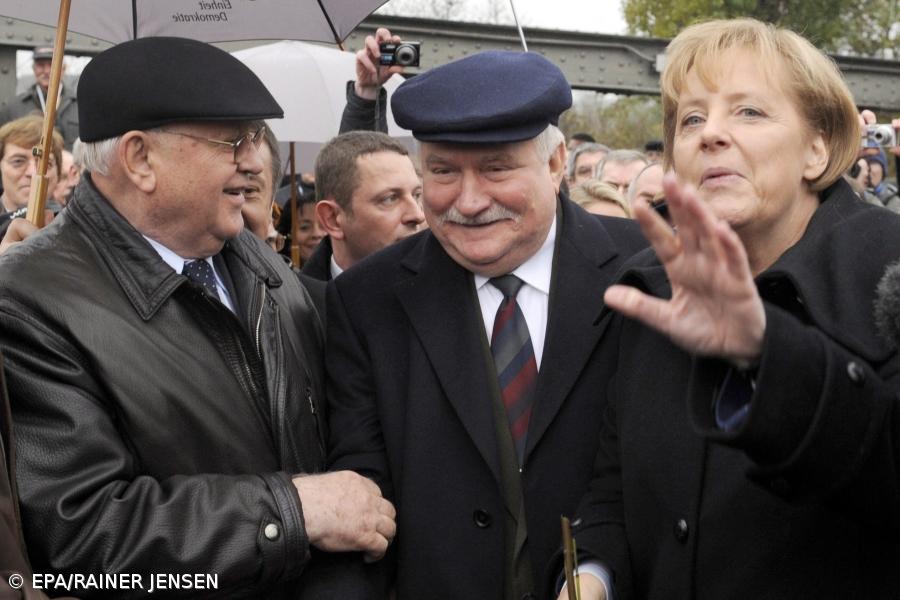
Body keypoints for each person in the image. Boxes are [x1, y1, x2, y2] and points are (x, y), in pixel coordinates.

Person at [0, 37, 395, 599]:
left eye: (255, 137)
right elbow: (78, 543)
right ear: (140, 159)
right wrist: (292, 510)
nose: (255, 161)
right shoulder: (28, 302)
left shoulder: (255, 259)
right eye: (232, 140)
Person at [556, 19, 900, 600]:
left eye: (749, 113)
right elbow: (614, 489)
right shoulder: (649, 293)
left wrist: (767, 357)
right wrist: (592, 575)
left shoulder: (885, 276)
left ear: (816, 149)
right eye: (691, 119)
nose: (709, 134)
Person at [325, 50, 645, 599]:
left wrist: (598, 575)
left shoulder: (646, 275)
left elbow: (657, 478)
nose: (469, 203)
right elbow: (362, 496)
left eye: (496, 168)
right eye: (444, 171)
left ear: (555, 163)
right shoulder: (366, 301)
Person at [302, 131, 424, 281]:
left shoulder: (450, 289)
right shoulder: (294, 302)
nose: (418, 215)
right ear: (332, 219)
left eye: (416, 195)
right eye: (390, 199)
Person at [0, 45, 78, 149]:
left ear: (63, 69)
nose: (46, 71)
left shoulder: (79, 105)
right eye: (41, 65)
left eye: (52, 65)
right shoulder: (13, 107)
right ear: (34, 69)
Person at [0, 115, 62, 238]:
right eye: (18, 161)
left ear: (58, 175)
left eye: (46, 164)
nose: (33, 172)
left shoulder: (75, 226)